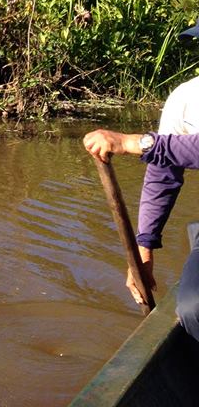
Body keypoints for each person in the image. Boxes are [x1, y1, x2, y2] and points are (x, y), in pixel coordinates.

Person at [83, 17, 199, 340]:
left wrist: (134, 142)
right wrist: (144, 246)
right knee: (193, 307)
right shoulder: (186, 98)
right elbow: (164, 173)